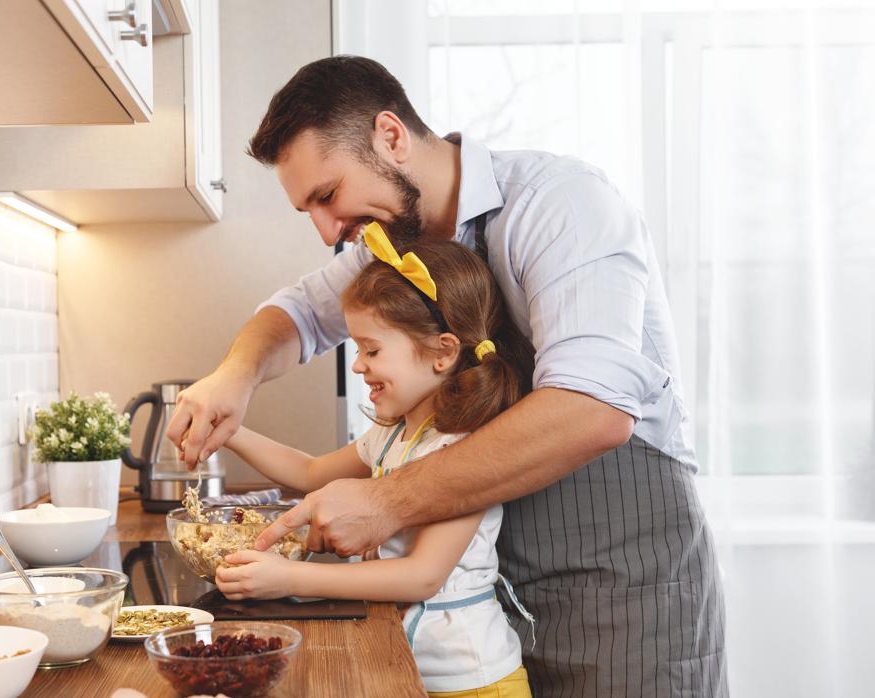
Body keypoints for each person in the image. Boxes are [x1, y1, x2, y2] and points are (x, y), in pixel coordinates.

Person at [166, 56, 727, 696]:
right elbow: (294, 312)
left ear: (391, 136)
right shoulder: (400, 252)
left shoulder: (560, 203)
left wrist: (385, 501)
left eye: (327, 196)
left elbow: (591, 409)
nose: (328, 230)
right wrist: (233, 380)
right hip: (502, 595)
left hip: (622, 571)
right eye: (310, 211)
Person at [213, 226, 535, 697]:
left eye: (372, 349)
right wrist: (231, 431)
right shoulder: (391, 434)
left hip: (475, 682)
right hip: (410, 669)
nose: (359, 365)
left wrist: (287, 577)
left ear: (443, 352)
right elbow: (309, 473)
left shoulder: (461, 451)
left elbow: (422, 575)